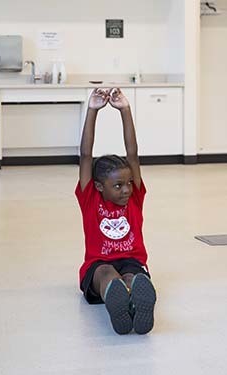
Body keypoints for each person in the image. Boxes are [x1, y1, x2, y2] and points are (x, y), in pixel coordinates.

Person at [75, 88, 156, 335]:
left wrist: (125, 110)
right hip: (98, 263)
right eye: (118, 186)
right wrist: (92, 111)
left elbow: (132, 153)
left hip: (132, 260)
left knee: (133, 275)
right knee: (106, 274)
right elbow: (86, 155)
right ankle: (118, 300)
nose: (126, 190)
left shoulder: (135, 198)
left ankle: (136, 296)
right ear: (99, 186)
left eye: (129, 183)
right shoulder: (90, 198)